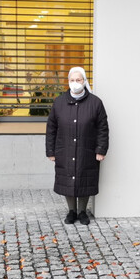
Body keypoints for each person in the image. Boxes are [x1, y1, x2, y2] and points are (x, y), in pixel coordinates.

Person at [45, 67, 109, 225]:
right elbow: (51, 128)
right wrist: (51, 151)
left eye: (78, 80)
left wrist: (101, 150)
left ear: (84, 81)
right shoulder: (59, 102)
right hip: (64, 149)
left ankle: (82, 212)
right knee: (68, 180)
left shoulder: (95, 103)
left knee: (84, 179)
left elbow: (103, 128)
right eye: (72, 80)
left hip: (87, 149)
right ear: (68, 82)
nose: (75, 83)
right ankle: (71, 211)